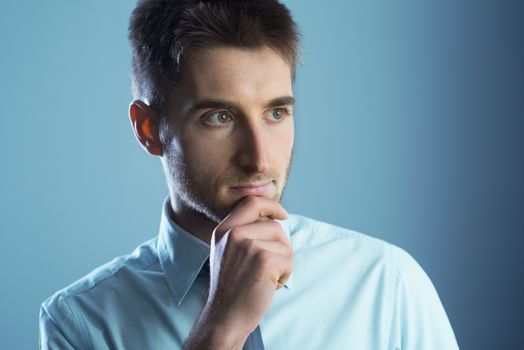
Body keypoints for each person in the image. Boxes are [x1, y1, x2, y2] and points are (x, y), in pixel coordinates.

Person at [39, 0, 459, 349]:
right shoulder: (79, 324)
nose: (259, 158)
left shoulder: (387, 284)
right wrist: (220, 329)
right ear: (150, 129)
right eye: (219, 117)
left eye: (276, 112)